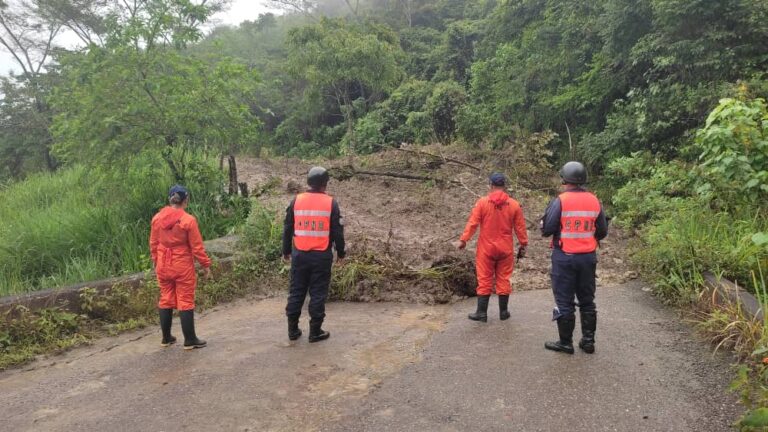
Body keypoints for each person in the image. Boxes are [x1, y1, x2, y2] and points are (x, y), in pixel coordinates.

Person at [541, 161, 608, 354]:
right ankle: (588, 341)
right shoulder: (594, 200)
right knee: (587, 300)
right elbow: (602, 231)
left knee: (564, 300)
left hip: (565, 258)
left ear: (564, 179)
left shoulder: (560, 200)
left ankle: (565, 342)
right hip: (588, 258)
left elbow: (548, 229)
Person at [283, 166, 346, 343]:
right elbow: (337, 232)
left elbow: (288, 227)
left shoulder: (296, 200)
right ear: (324, 184)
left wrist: (286, 250)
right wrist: (341, 253)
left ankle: (293, 330)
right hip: (321, 256)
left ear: (309, 182)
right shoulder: (330, 203)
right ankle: (315, 331)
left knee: (296, 291)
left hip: (299, 255)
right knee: (318, 292)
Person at [457, 173, 528, 322]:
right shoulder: (514, 204)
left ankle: (481, 313)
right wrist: (523, 244)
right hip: (505, 249)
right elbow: (520, 228)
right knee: (503, 279)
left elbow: (473, 223)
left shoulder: (482, 203)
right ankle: (503, 313)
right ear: (504, 186)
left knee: (484, 279)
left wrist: (464, 240)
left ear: (491, 185)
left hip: (486, 249)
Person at [150, 185, 211, 350]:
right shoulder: (188, 220)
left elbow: (154, 243)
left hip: (163, 263)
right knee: (185, 300)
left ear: (170, 199)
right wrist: (206, 265)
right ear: (186, 200)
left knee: (166, 298)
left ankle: (166, 338)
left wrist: (156, 261)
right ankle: (190, 340)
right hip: (181, 264)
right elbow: (197, 247)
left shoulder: (157, 218)